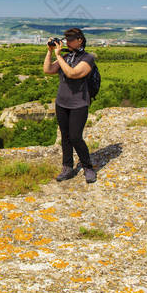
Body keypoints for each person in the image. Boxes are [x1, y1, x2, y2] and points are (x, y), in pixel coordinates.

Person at [43, 27, 97, 183]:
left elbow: (72, 74)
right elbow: (48, 70)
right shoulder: (66, 57)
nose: (68, 42)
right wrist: (50, 51)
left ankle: (87, 167)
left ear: (80, 40)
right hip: (62, 103)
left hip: (79, 104)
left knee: (75, 137)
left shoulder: (88, 58)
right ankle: (67, 167)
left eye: (71, 39)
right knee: (65, 137)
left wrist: (58, 55)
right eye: (66, 39)